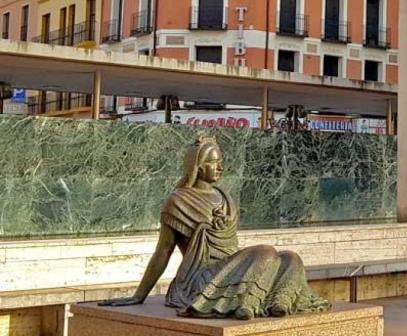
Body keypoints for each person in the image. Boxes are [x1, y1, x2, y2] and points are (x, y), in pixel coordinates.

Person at [100, 135, 329, 319]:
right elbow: (164, 250)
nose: (220, 167)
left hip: (232, 268)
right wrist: (139, 295)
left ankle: (280, 302)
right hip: (202, 278)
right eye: (213, 162)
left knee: (291, 258)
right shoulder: (178, 201)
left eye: (220, 162)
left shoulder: (224, 197)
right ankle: (246, 304)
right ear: (198, 167)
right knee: (266, 251)